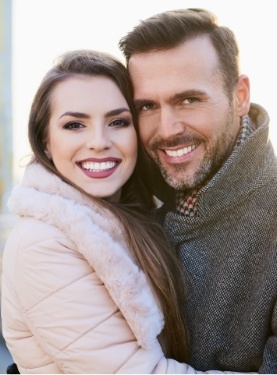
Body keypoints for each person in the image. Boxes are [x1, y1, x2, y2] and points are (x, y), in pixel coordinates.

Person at [1, 49, 237, 374]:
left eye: (117, 122)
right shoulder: (42, 244)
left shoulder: (130, 218)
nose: (99, 141)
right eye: (74, 125)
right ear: (45, 142)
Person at [119, 7, 277, 374]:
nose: (168, 128)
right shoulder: (120, 208)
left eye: (188, 99)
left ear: (240, 97)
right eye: (147, 106)